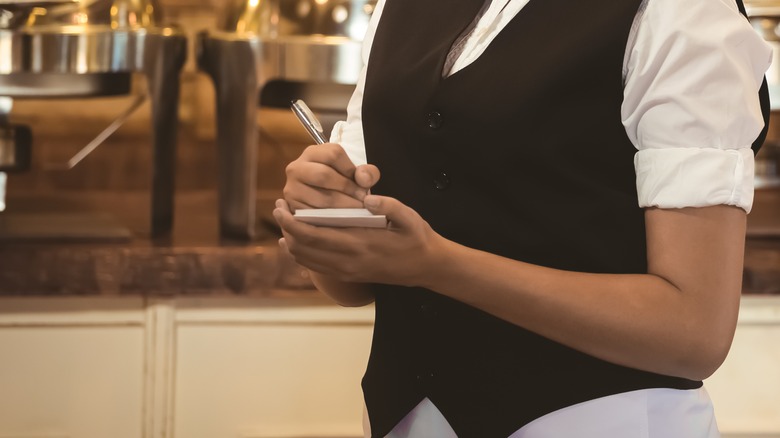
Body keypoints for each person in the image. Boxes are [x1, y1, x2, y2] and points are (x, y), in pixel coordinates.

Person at [273, 0, 772, 436]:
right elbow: (352, 284)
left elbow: (694, 332)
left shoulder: (681, 12)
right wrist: (321, 216)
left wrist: (436, 265)